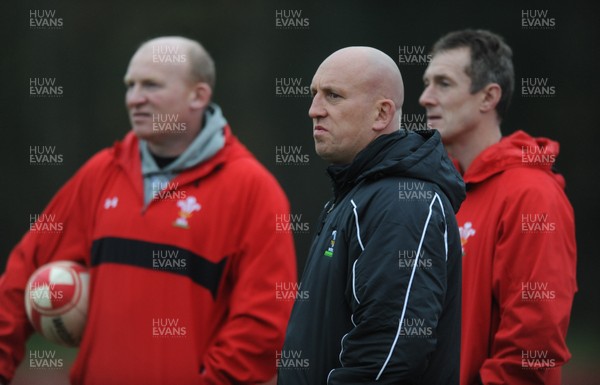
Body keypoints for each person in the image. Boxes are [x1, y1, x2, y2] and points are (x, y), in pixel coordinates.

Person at [0, 36, 297, 385]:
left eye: (151, 85)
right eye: (130, 85)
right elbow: (22, 275)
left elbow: (264, 321)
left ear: (198, 96)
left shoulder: (252, 189)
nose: (134, 98)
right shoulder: (101, 174)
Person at [278, 46, 465, 385]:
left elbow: (391, 351)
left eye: (333, 96)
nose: (313, 110)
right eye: (314, 94)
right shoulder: (357, 194)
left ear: (381, 113)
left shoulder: (403, 202)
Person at [419, 29, 577, 385]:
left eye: (443, 83)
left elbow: (534, 345)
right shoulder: (438, 195)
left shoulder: (532, 195)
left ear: (488, 97)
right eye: (427, 83)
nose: (425, 98)